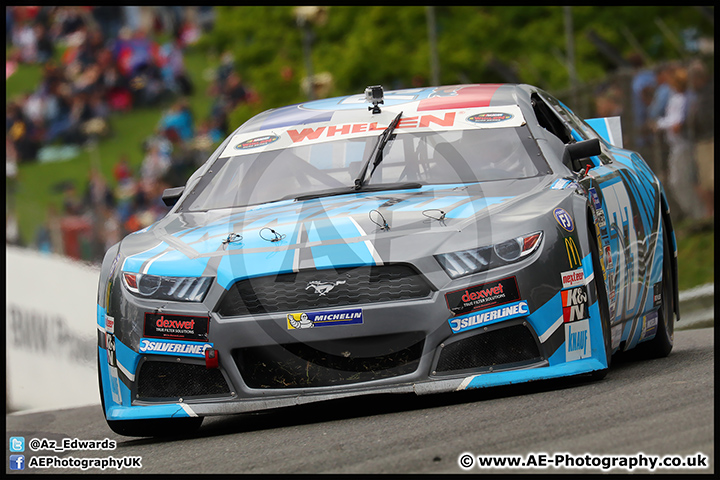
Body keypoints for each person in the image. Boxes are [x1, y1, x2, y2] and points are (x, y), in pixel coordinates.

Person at [653, 67, 704, 221]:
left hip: (683, 145)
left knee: (682, 180)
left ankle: (698, 213)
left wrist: (660, 124)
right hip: (676, 146)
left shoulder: (685, 99)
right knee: (677, 181)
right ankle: (694, 213)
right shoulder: (676, 98)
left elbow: (677, 124)